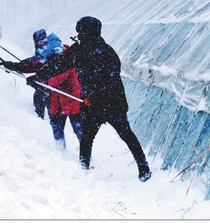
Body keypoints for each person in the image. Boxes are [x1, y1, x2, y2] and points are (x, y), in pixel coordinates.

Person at [26, 16, 152, 182]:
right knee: (86, 138)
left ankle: (144, 168)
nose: (77, 36)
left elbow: (111, 79)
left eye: (80, 32)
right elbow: (58, 65)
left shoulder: (107, 53)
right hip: (92, 107)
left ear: (88, 33)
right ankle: (83, 171)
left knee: (126, 135)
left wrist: (92, 96)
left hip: (112, 104)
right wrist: (38, 77)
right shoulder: (78, 50)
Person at [1, 30, 83, 150]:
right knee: (57, 128)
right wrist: (15, 66)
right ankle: (62, 154)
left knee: (79, 130)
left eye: (41, 43)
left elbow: (58, 76)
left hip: (71, 99)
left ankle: (87, 160)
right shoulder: (46, 55)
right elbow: (34, 64)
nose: (39, 46)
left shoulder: (63, 55)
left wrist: (39, 82)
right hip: (55, 100)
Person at [1, 29, 56, 119]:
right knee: (39, 98)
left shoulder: (50, 50)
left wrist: (37, 77)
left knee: (49, 107)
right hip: (47, 86)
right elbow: (34, 62)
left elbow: (39, 65)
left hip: (54, 87)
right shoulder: (44, 48)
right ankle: (42, 123)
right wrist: (16, 66)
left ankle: (45, 125)